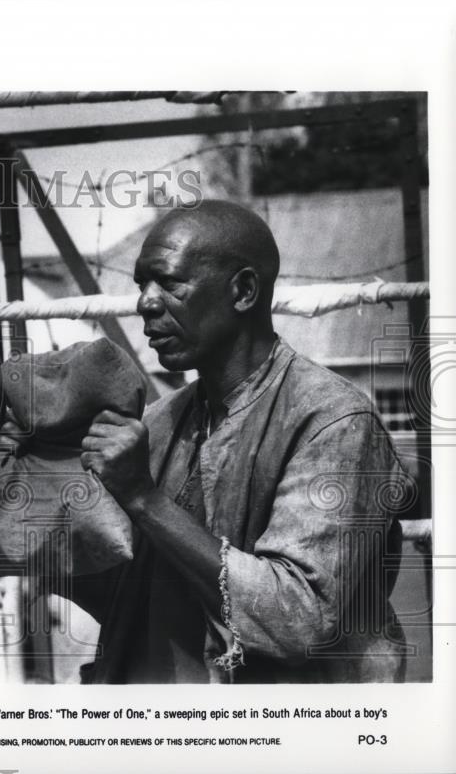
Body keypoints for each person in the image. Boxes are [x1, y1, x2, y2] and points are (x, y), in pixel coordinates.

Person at [77, 200, 409, 683]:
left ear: (243, 291)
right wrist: (42, 471)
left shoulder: (333, 420)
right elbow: (119, 595)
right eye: (141, 286)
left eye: (169, 283)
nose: (146, 302)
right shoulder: (162, 421)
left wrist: (142, 498)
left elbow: (299, 620)